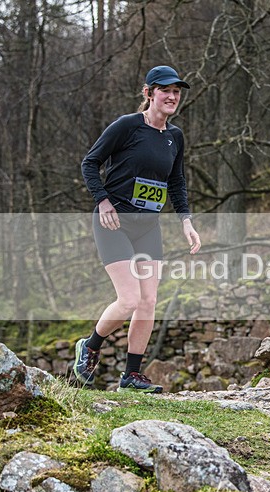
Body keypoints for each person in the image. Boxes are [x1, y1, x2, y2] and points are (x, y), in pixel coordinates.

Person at [75, 65, 201, 392]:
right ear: (148, 94)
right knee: (129, 299)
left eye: (177, 91)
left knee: (148, 301)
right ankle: (90, 345)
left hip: (148, 226)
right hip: (114, 222)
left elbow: (176, 182)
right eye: (165, 90)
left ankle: (131, 375)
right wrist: (102, 200)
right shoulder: (127, 127)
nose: (172, 96)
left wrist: (186, 221)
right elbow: (90, 162)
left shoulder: (175, 136)